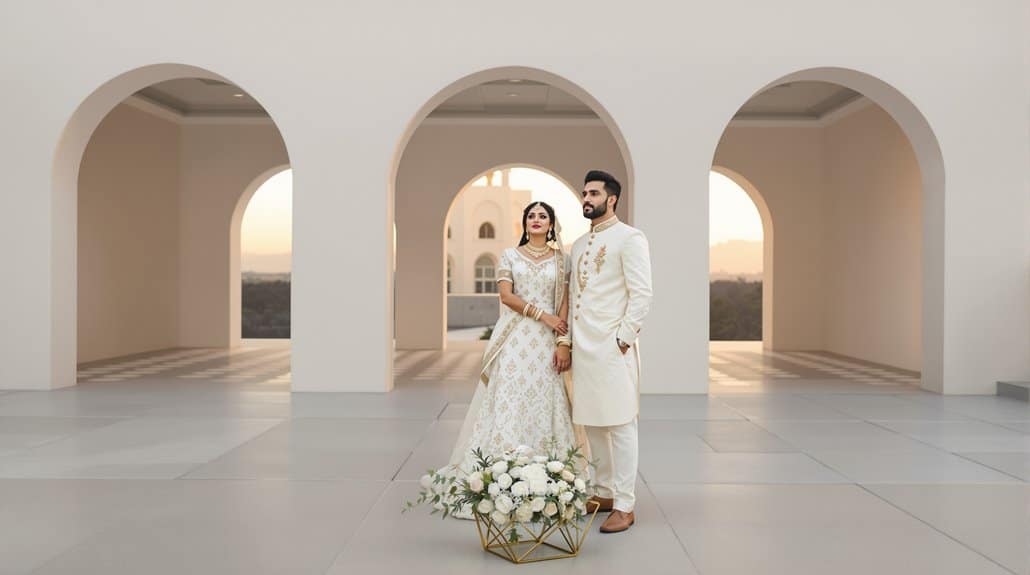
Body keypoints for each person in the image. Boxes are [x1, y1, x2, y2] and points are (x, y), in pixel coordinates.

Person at [445, 201, 578, 517]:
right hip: (516, 339)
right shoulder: (509, 255)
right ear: (524, 223)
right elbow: (506, 296)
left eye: (542, 216)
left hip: (547, 342)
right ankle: (499, 479)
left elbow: (564, 304)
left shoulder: (563, 260)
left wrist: (563, 343)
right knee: (510, 398)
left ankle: (549, 484)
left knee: (545, 400)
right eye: (531, 216)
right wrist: (541, 315)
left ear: (551, 225)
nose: (536, 220)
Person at [569, 170, 653, 534]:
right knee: (592, 422)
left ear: (611, 199)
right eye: (584, 193)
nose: (586, 198)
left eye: (593, 193)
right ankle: (602, 492)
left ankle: (625, 504)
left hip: (612, 347)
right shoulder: (577, 244)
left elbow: (642, 293)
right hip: (583, 348)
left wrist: (622, 338)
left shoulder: (630, 238)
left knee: (620, 423)